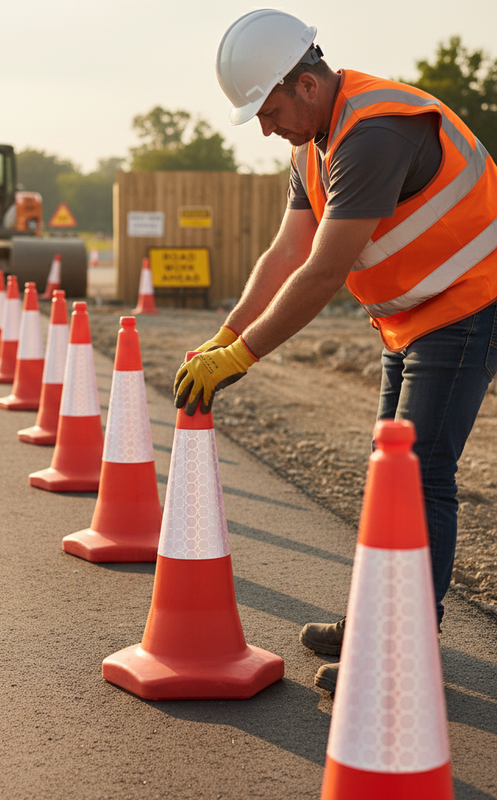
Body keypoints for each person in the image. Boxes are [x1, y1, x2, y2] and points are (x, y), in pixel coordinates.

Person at [174, 8, 497, 692]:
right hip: (411, 318)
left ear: (307, 83)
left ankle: (404, 644)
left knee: (420, 473)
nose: (263, 126)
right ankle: (377, 621)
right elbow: (283, 251)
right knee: (391, 476)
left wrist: (244, 358)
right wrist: (226, 334)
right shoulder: (313, 143)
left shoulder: (375, 132)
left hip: (469, 306)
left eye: (267, 107)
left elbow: (320, 273)